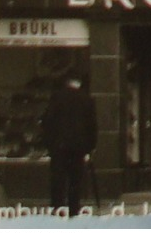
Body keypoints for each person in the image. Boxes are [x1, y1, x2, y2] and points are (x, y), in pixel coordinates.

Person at [41, 73, 98, 215]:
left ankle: (57, 209)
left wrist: (49, 144)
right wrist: (90, 147)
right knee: (75, 181)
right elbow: (92, 126)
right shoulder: (87, 99)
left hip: (59, 146)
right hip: (78, 147)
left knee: (58, 180)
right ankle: (74, 210)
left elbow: (48, 122)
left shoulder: (57, 97)